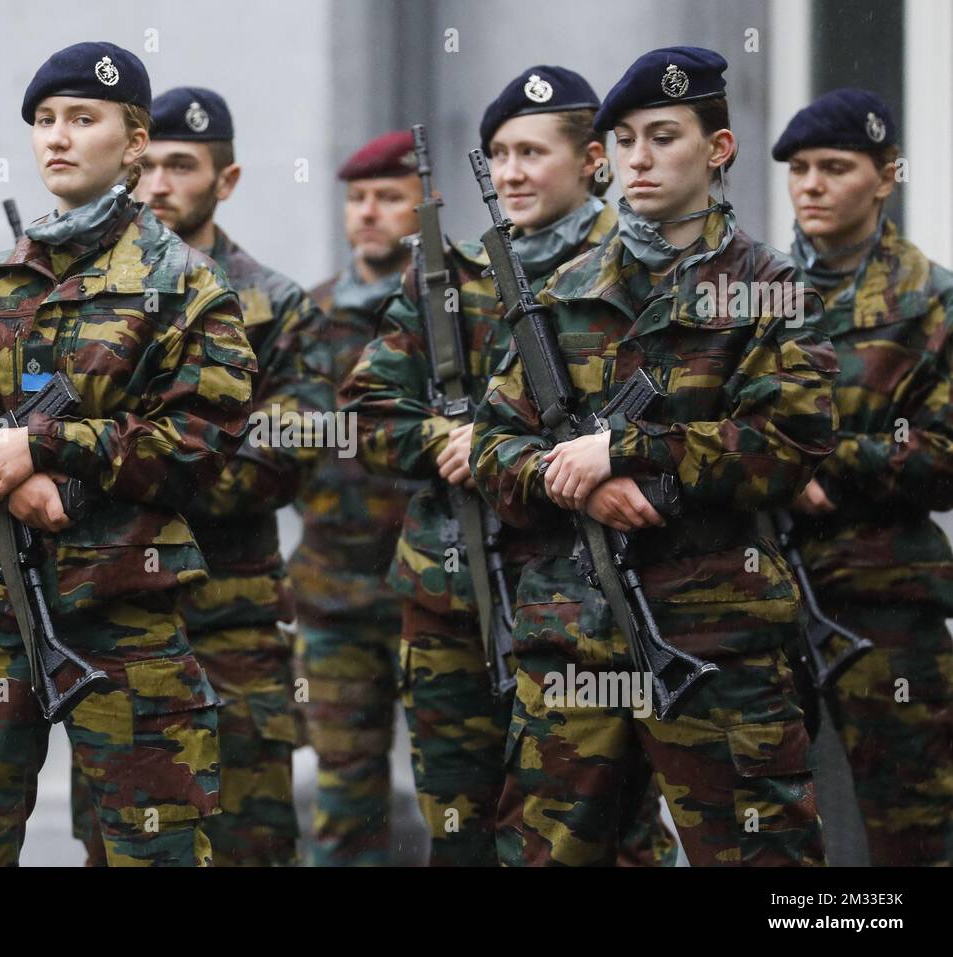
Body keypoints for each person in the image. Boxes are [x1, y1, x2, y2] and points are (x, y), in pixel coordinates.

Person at [0, 42, 257, 866]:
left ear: (132, 144)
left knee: (152, 851)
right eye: (45, 121)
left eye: (82, 120)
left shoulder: (185, 287)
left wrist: (48, 443)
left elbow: (203, 442)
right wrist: (8, 484)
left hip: (124, 612)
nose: (57, 137)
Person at [470, 47, 839, 866]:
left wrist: (626, 447)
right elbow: (494, 448)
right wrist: (577, 482)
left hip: (715, 642)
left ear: (718, 148)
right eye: (626, 139)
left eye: (665, 136)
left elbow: (790, 445)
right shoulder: (562, 292)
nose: (640, 157)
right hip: (571, 645)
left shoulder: (770, 288)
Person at [341, 66, 657, 866]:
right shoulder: (445, 278)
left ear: (594, 161)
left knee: (598, 837)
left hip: (595, 606)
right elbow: (367, 415)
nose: (511, 172)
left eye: (532, 152)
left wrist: (497, 449)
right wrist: (437, 443)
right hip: (451, 605)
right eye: (498, 154)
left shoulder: (638, 269)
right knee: (461, 832)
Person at [71, 84, 330, 867]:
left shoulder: (277, 306)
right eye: (147, 165)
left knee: (250, 846)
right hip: (115, 626)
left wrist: (123, 459)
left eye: (181, 167)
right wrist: (178, 445)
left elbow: (276, 462)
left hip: (231, 630)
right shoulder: (86, 298)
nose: (157, 185)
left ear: (227, 180)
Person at [774, 88, 953, 866]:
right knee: (761, 824)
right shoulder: (754, 296)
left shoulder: (929, 301)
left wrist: (825, 463)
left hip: (885, 606)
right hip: (763, 599)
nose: (811, 184)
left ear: (886, 176)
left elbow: (945, 453)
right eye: (800, 168)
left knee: (912, 826)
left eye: (835, 167)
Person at [288, 131, 424, 866]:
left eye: (389, 197)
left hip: (438, 594)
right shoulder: (308, 316)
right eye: (358, 199)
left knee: (461, 792)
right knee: (343, 793)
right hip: (333, 594)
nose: (370, 213)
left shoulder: (448, 314)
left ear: (423, 205)